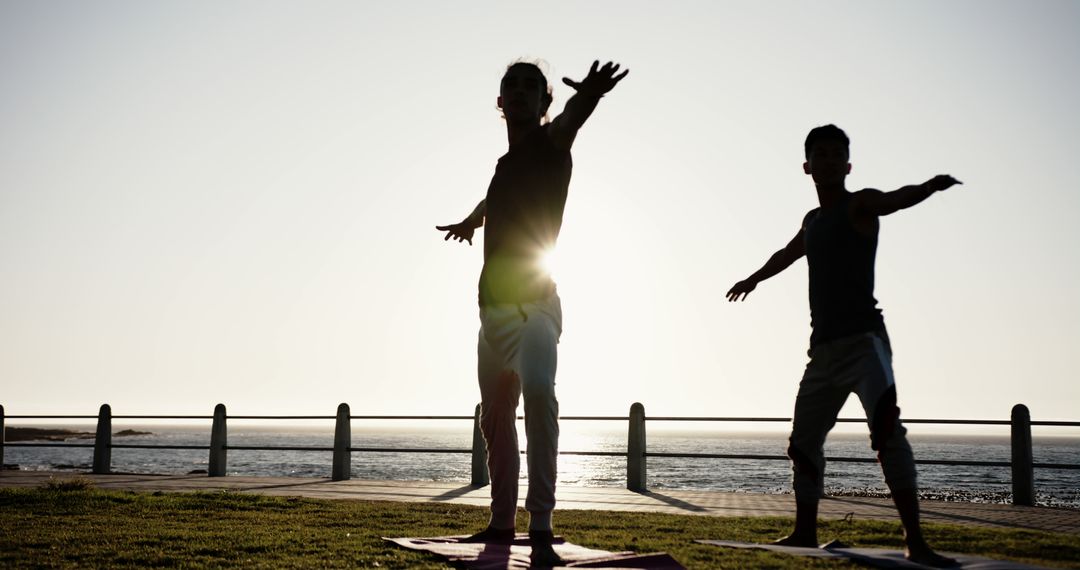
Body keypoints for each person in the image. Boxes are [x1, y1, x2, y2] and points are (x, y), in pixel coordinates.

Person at [726, 125, 961, 567]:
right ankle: (804, 532)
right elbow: (787, 253)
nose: (830, 161)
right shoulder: (812, 222)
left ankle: (917, 541)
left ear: (848, 166)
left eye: (838, 155)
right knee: (803, 442)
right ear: (807, 166)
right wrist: (753, 279)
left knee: (887, 432)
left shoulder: (860, 203)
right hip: (823, 352)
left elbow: (895, 198)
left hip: (865, 343)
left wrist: (930, 187)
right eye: (822, 155)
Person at [437, 59, 628, 566]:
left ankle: (540, 524)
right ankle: (502, 524)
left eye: (531, 87)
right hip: (492, 316)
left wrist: (590, 94)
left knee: (540, 396)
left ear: (544, 103)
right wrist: (471, 220)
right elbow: (494, 197)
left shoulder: (551, 144)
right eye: (510, 86)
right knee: (495, 418)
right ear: (499, 102)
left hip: (536, 309)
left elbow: (572, 119)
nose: (519, 92)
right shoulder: (505, 165)